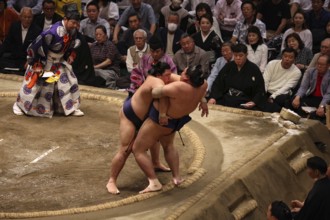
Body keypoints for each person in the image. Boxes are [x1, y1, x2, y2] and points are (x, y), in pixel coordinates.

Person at [132, 65, 208, 193]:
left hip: (160, 122)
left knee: (138, 149)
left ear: (187, 78)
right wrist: (203, 99)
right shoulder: (203, 85)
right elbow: (194, 90)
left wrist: (159, 82)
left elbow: (156, 92)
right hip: (175, 122)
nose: (180, 73)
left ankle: (154, 182)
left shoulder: (179, 87)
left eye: (183, 72)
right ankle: (177, 177)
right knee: (169, 146)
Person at [106, 62, 174, 194]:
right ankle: (111, 181)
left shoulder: (161, 79)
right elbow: (162, 94)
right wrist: (163, 114)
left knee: (155, 138)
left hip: (144, 117)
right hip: (130, 116)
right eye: (167, 75)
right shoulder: (155, 81)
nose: (169, 78)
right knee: (126, 149)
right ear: (159, 75)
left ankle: (156, 163)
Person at [12, 5, 84, 118]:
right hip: (43, 62)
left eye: (76, 23)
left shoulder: (72, 31)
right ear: (65, 19)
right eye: (73, 22)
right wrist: (35, 63)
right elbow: (35, 46)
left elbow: (70, 45)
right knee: (36, 85)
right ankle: (19, 105)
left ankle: (69, 108)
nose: (75, 25)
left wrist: (69, 55)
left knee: (66, 83)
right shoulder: (52, 32)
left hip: (59, 62)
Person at [208, 43, 268, 112]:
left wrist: (254, 102)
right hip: (227, 98)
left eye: (241, 55)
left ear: (246, 55)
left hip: (244, 101)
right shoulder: (228, 66)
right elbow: (218, 83)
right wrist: (213, 97)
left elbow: (260, 89)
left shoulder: (254, 69)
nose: (238, 58)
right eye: (236, 55)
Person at [0, 7, 41, 72]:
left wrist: (30, 61)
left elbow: (38, 50)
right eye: (24, 17)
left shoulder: (37, 30)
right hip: (13, 58)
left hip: (26, 60)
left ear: (32, 18)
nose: (27, 19)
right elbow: (6, 43)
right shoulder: (14, 26)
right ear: (20, 17)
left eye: (29, 17)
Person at [291, 54, 330, 122]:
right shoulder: (311, 71)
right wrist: (297, 97)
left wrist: (322, 106)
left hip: (324, 99)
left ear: (328, 65)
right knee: (293, 101)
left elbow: (328, 94)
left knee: (320, 113)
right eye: (318, 64)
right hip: (311, 96)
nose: (319, 66)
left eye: (322, 65)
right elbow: (303, 87)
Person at [90, 24, 121, 89]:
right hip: (97, 71)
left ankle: (113, 85)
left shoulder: (110, 45)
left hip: (111, 71)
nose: (98, 36)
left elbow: (108, 61)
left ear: (106, 35)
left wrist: (95, 67)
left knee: (95, 72)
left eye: (100, 34)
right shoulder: (93, 46)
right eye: (96, 35)